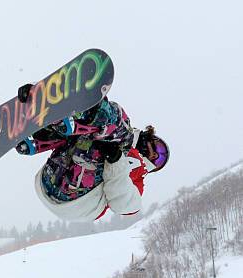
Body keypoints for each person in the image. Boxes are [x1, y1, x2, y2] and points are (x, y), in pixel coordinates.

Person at [16, 88, 169, 222]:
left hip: (78, 199)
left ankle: (75, 115)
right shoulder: (114, 134)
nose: (156, 154)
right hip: (50, 178)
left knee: (117, 122)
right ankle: (39, 133)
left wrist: (116, 161)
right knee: (88, 132)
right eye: (159, 148)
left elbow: (127, 206)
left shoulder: (138, 172)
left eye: (160, 159)